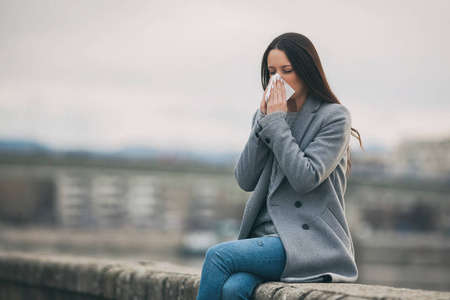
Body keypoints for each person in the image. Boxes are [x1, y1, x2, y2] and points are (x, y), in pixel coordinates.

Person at [196, 32, 363, 300]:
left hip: (307, 242)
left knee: (217, 256)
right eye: (272, 71)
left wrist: (276, 124)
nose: (278, 79)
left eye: (287, 70)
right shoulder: (265, 117)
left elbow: (305, 178)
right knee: (233, 288)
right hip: (264, 238)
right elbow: (245, 179)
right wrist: (263, 121)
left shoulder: (333, 117)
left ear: (307, 71)